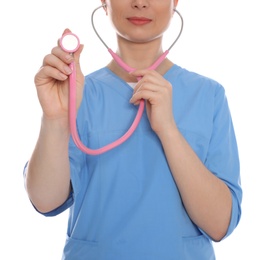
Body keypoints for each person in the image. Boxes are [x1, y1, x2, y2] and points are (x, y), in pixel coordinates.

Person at [23, 0, 242, 259]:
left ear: (175, 3)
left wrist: (168, 130)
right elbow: (45, 201)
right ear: (104, 2)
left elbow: (220, 224)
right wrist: (56, 119)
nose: (140, 3)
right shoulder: (77, 93)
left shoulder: (209, 95)